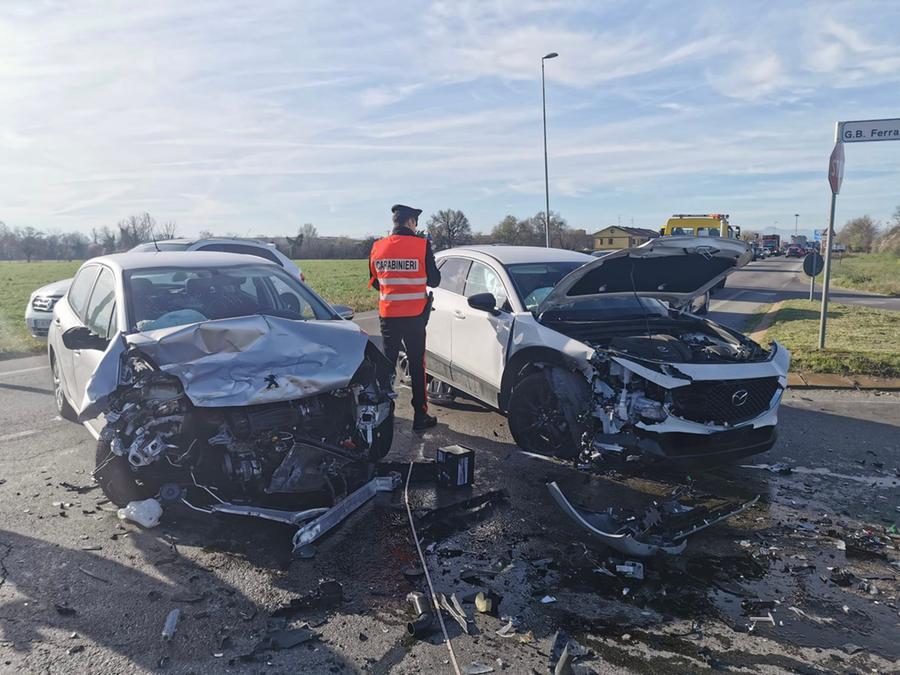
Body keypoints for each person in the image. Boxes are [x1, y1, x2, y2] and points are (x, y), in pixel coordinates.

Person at [369, 204, 441, 431]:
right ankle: (420, 415)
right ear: (410, 222)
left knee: (386, 364)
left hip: (388, 315)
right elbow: (435, 280)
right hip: (415, 316)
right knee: (417, 365)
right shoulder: (422, 245)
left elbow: (374, 281)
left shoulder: (378, 246)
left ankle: (382, 416)